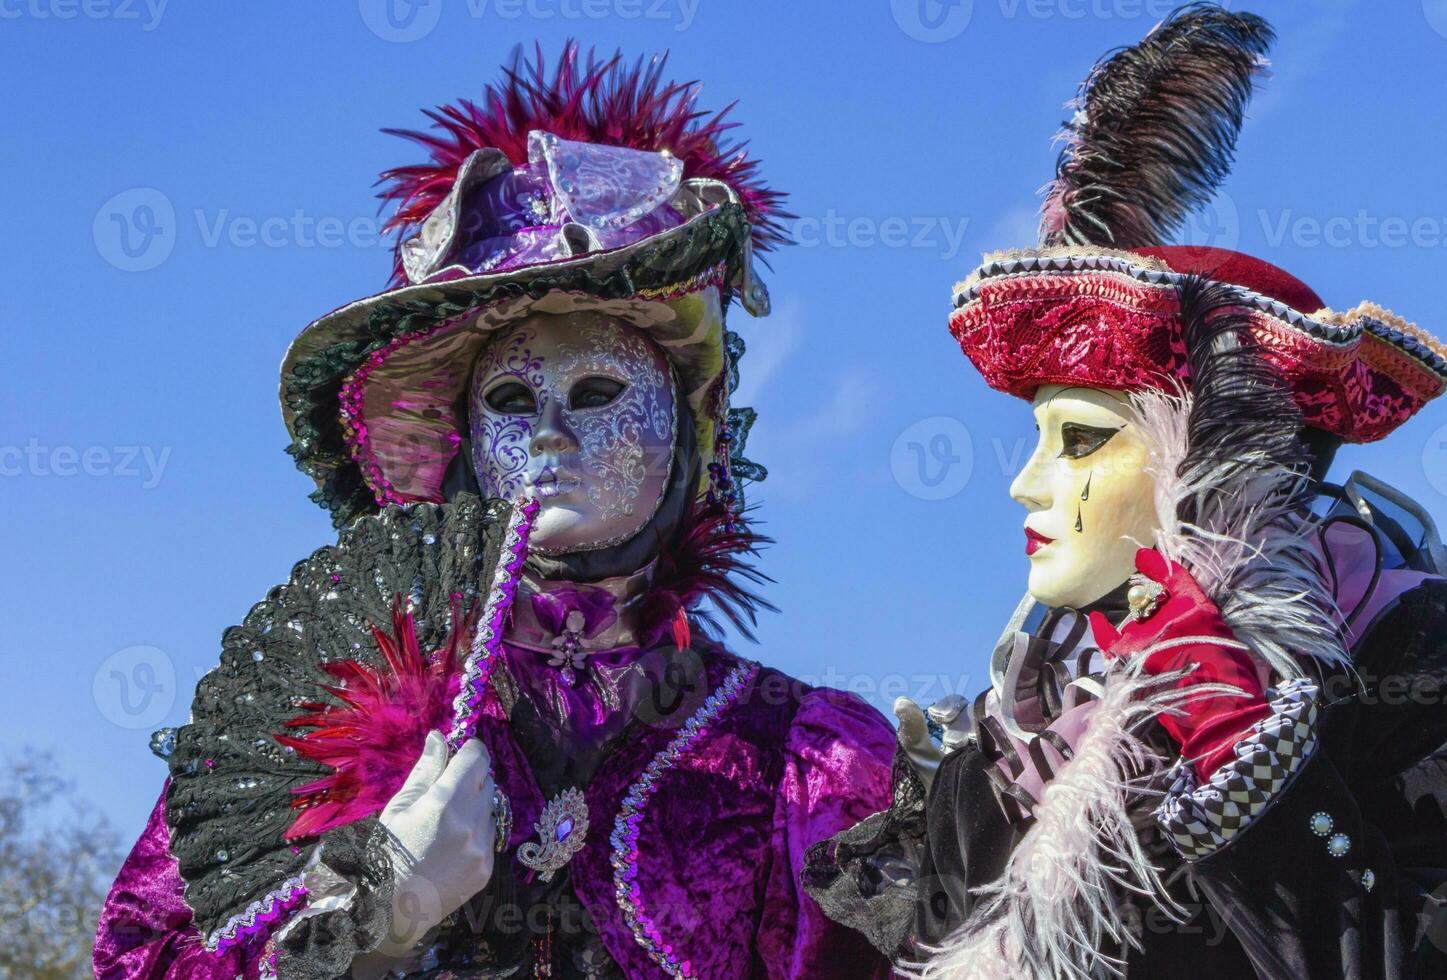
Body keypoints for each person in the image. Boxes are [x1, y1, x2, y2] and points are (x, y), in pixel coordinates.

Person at [94, 44, 895, 979]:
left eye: (597, 390)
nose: (550, 432)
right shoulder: (335, 722)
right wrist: (375, 918)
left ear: (688, 428)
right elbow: (141, 961)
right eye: (512, 402)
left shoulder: (803, 761)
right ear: (467, 446)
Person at [804, 6, 1447, 978]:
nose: (1024, 482)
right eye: (1037, 439)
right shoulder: (1004, 759)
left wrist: (1245, 755)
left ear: (1208, 465)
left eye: (1082, 441)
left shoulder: (1404, 674)